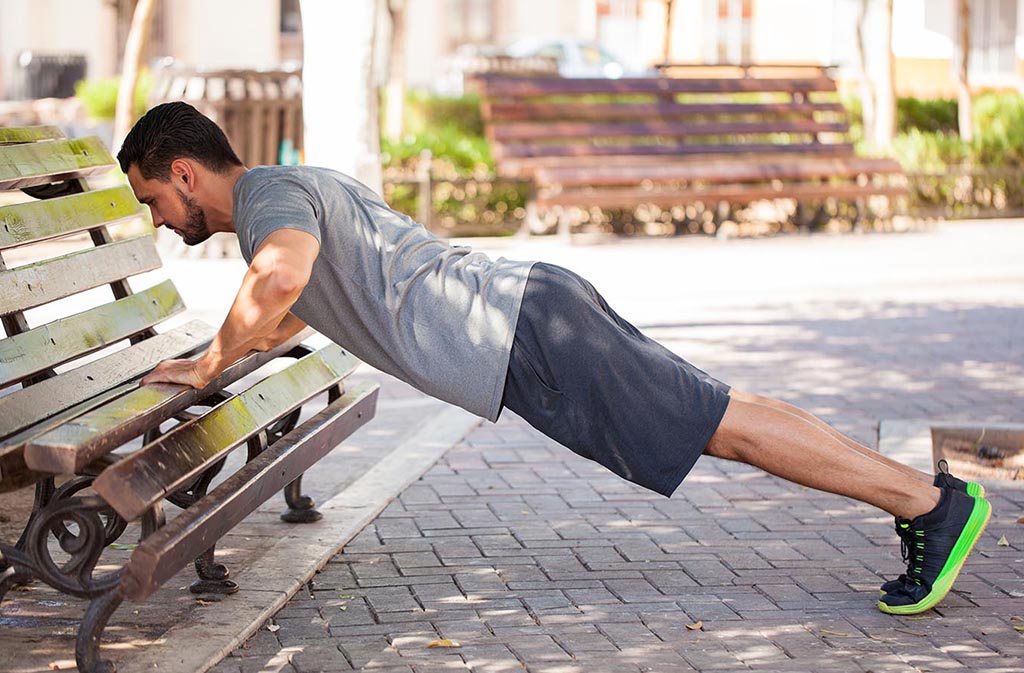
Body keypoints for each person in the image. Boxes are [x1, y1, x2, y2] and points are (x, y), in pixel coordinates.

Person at [120, 102, 991, 616]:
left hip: (522, 332)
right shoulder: (293, 187)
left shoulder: (273, 199)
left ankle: (928, 503)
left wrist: (205, 369)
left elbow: (280, 283)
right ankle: (927, 503)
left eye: (153, 199)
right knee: (720, 409)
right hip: (530, 311)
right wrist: (219, 348)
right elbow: (287, 311)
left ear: (186, 173)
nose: (159, 220)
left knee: (721, 426)